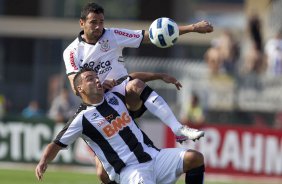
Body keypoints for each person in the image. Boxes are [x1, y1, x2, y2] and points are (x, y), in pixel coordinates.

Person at [62, 2, 212, 183]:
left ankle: (177, 128)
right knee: (103, 173)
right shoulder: (71, 52)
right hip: (101, 109)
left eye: (101, 21)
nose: (98, 26)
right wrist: (101, 84)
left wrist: (193, 28)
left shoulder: (113, 35)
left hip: (125, 98)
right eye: (93, 22)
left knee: (135, 85)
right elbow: (74, 86)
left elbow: (151, 36)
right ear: (82, 23)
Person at [35, 68, 205, 184]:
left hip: (154, 156)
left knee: (195, 158)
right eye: (90, 79)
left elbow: (132, 77)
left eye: (96, 77)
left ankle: (177, 128)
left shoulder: (114, 93)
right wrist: (43, 161)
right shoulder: (82, 118)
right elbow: (56, 143)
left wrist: (160, 76)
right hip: (131, 170)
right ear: (79, 88)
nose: (96, 80)